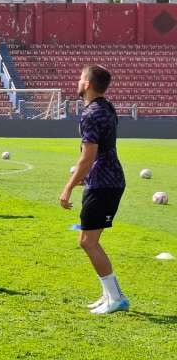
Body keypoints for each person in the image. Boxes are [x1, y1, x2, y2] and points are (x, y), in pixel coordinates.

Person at [60, 65, 129, 314]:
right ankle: (109, 294)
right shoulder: (106, 107)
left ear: (88, 84)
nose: (77, 81)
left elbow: (88, 156)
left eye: (80, 78)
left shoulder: (91, 113)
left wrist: (67, 187)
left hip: (104, 183)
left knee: (88, 242)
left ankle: (116, 298)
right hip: (105, 180)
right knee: (86, 240)